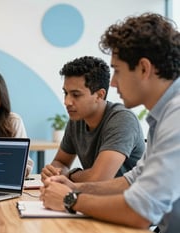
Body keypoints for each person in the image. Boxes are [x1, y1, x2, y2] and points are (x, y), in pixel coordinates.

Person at [40, 13, 180, 233]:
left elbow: (141, 211)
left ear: (144, 68)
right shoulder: (161, 117)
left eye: (117, 70)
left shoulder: (176, 116)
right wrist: (75, 186)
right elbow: (131, 180)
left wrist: (70, 199)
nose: (113, 82)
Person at [41, 56, 145, 183]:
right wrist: (54, 172)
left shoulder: (123, 120)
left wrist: (69, 175)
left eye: (76, 95)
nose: (66, 101)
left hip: (128, 200)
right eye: (65, 93)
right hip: (96, 197)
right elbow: (60, 161)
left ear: (99, 95)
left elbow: (99, 178)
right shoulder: (77, 119)